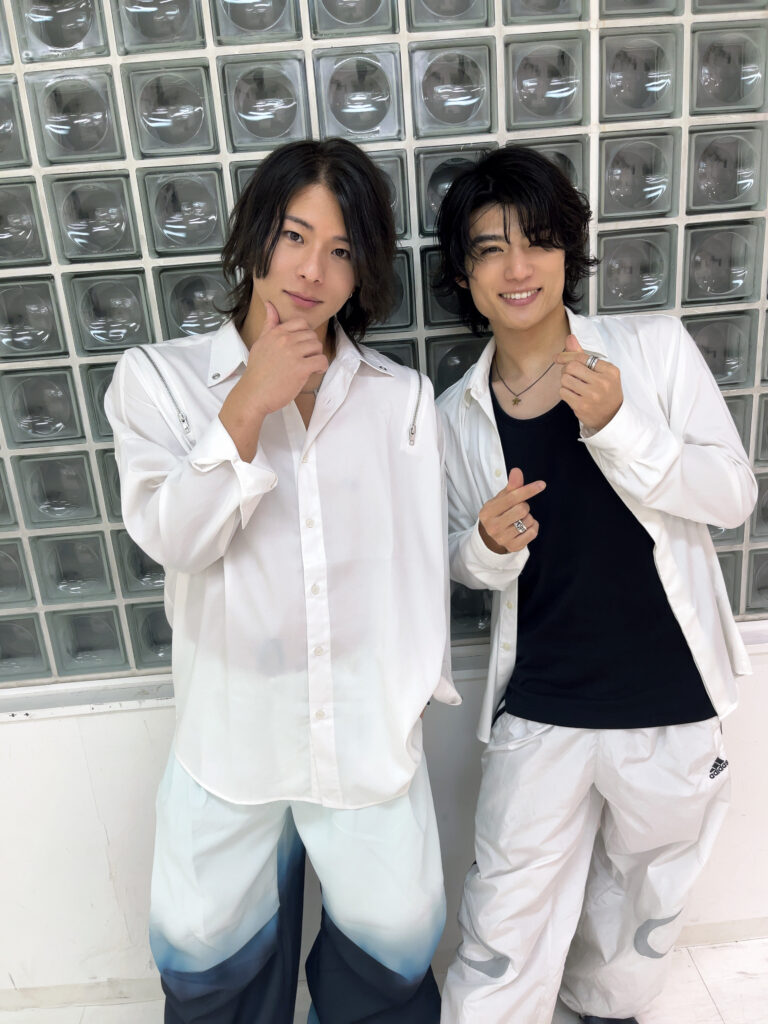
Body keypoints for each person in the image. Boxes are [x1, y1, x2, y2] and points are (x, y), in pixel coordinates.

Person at [105, 137, 460, 1024]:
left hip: (366, 734)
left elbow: (417, 562)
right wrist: (245, 406)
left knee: (394, 949)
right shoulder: (159, 380)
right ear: (256, 233)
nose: (312, 270)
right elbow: (174, 539)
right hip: (231, 738)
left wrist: (415, 691)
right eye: (296, 236)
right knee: (207, 961)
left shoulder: (399, 397)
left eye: (341, 250)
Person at [433, 144, 756, 1024]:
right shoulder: (456, 415)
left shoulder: (651, 351)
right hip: (543, 701)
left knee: (642, 905)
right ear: (463, 275)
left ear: (568, 251)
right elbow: (456, 558)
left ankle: (604, 1010)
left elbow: (732, 496)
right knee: (503, 915)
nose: (518, 268)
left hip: (673, 697)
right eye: (490, 248)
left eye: (537, 241)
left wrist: (620, 426)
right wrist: (486, 546)